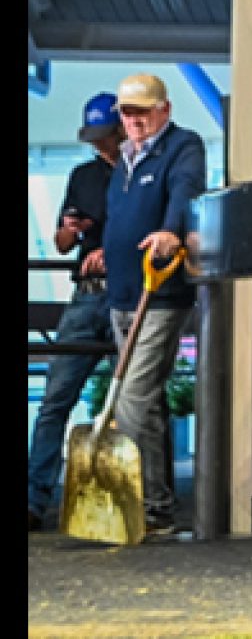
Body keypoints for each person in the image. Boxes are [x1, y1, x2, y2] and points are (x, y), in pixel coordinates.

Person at [102, 72, 207, 533]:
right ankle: (157, 504)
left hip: (160, 293)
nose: (135, 120)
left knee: (132, 399)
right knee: (149, 405)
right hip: (123, 292)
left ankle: (147, 507)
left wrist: (170, 230)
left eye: (144, 111)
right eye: (128, 112)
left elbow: (186, 190)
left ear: (164, 110)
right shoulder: (123, 160)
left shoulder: (183, 146)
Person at [26, 93, 122, 531]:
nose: (100, 146)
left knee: (137, 401)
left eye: (105, 136)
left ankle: (142, 498)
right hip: (86, 294)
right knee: (55, 399)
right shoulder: (83, 176)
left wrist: (110, 248)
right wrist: (70, 231)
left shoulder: (141, 172)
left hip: (127, 291)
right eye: (94, 139)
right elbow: (63, 243)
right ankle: (34, 496)